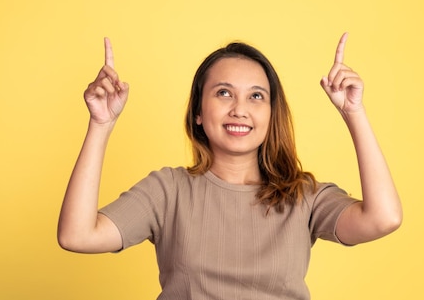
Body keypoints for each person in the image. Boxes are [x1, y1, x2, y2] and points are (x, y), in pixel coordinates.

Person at [57, 33, 402, 299]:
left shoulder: (304, 197)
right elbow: (77, 235)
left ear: (270, 113)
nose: (240, 109)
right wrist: (101, 124)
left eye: (256, 96)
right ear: (197, 111)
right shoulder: (168, 191)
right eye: (223, 93)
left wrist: (353, 113)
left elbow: (383, 218)